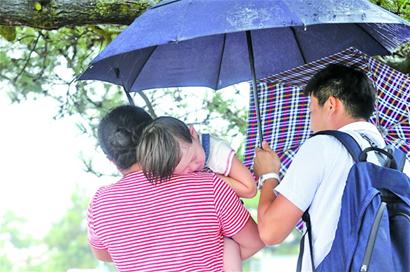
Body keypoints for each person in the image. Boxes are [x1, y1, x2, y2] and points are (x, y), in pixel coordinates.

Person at [87, 105, 264, 272]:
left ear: (110, 159)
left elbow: (102, 253)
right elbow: (254, 241)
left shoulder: (99, 205)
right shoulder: (210, 186)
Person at [253, 64, 396, 270]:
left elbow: (270, 232)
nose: (311, 123)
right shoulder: (388, 155)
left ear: (331, 104)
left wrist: (268, 175)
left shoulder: (323, 145)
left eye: (311, 111)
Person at [136, 116, 257, 271]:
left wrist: (210, 180)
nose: (194, 167)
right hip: (203, 224)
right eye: (185, 171)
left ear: (192, 133)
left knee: (229, 245)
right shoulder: (171, 159)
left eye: (193, 158)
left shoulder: (215, 150)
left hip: (228, 219)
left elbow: (249, 188)